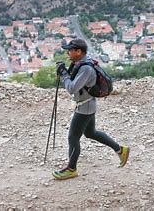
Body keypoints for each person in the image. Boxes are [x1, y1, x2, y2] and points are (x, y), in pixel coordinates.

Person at [52, 38, 129, 180]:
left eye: (70, 50)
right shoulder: (80, 63)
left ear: (79, 51)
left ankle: (71, 169)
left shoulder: (86, 68)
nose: (67, 52)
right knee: (90, 133)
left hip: (84, 108)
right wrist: (65, 71)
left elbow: (71, 88)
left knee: (73, 137)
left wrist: (63, 74)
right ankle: (120, 150)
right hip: (88, 105)